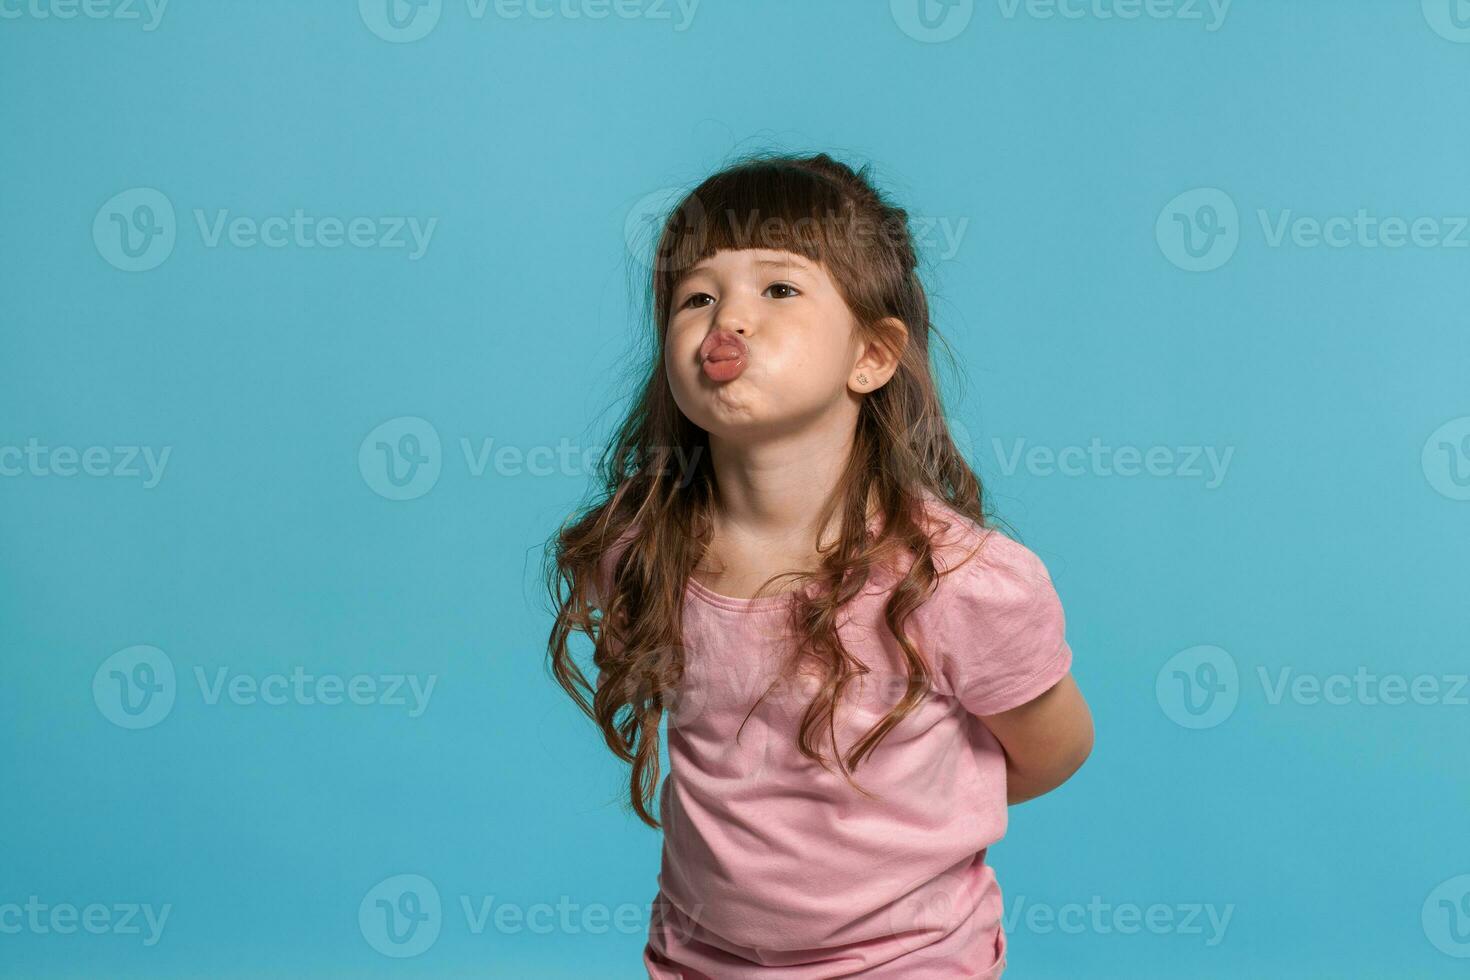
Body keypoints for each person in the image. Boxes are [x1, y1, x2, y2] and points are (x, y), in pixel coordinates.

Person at [545, 151, 1094, 977]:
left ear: (870, 356)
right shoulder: (642, 549)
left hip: (908, 962)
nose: (728, 320)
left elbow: (1055, 748)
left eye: (778, 289)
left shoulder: (954, 582)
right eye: (698, 297)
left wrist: (915, 819)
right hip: (701, 959)